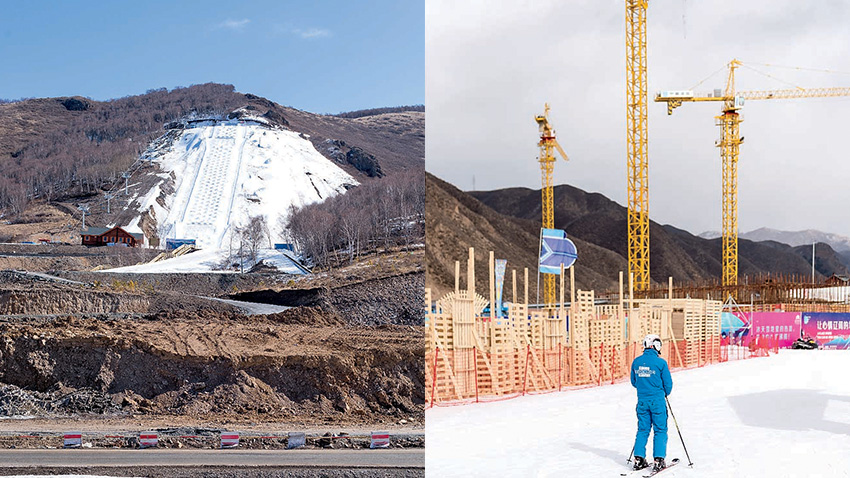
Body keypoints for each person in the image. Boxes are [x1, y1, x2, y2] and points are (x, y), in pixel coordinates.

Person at [630, 334, 673, 472]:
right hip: (657, 401)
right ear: (656, 345)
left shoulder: (636, 362)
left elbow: (634, 382)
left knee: (643, 429)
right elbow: (668, 385)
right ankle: (659, 460)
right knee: (660, 429)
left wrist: (645, 389)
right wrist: (662, 392)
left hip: (642, 401)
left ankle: (638, 458)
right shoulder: (661, 363)